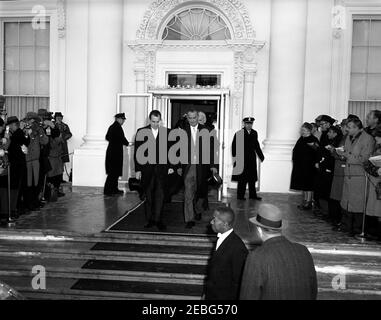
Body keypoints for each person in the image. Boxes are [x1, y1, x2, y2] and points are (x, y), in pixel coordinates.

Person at [240, 204, 318, 300]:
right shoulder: (303, 251)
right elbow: (313, 291)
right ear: (280, 228)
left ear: (259, 230)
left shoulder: (256, 257)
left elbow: (248, 296)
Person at [134, 110, 174, 231]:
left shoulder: (167, 132)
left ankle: (158, 220)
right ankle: (150, 220)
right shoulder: (141, 132)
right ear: (149, 120)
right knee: (149, 195)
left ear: (160, 121)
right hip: (147, 170)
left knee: (160, 195)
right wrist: (138, 170)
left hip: (162, 170)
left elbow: (172, 151)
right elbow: (137, 151)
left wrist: (172, 166)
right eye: (153, 121)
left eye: (157, 122)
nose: (155, 124)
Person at [178, 109, 218, 229]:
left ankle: (198, 210)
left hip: (202, 167)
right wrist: (179, 166)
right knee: (188, 193)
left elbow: (212, 150)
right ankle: (189, 219)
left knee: (201, 192)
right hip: (188, 167)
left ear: (197, 117)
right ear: (187, 118)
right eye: (189, 118)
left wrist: (213, 166)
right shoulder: (182, 130)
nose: (192, 120)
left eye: (194, 117)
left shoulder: (207, 130)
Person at [339, 118, 374, 236]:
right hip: (348, 173)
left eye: (349, 127)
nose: (346, 129)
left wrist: (346, 155)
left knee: (357, 204)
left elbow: (364, 159)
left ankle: (357, 229)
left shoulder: (368, 139)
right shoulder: (349, 137)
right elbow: (347, 152)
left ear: (356, 127)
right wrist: (341, 153)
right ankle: (346, 227)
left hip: (359, 176)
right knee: (346, 202)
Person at [204, 206, 248, 300]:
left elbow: (238, 282)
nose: (211, 222)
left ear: (225, 224)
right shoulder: (221, 239)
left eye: (215, 220)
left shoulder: (238, 248)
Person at [2, 116, 30, 218]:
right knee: (15, 187)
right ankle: (13, 209)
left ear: (13, 125)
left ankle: (13, 209)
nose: (9, 127)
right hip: (18, 165)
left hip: (15, 165)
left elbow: (13, 148)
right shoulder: (18, 134)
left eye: (10, 125)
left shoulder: (16, 135)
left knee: (14, 187)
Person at [232, 117, 264, 200]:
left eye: (250, 123)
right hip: (241, 159)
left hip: (251, 159)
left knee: (252, 179)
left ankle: (253, 196)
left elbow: (256, 145)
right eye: (247, 123)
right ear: (244, 124)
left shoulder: (254, 133)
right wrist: (235, 158)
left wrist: (261, 155)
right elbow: (234, 146)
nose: (249, 125)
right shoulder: (239, 133)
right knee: (242, 179)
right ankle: (240, 196)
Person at [290, 122, 320, 210]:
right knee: (304, 185)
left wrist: (316, 162)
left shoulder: (313, 139)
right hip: (301, 166)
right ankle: (306, 200)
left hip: (309, 166)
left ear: (309, 130)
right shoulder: (301, 139)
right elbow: (296, 150)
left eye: (303, 130)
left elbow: (318, 152)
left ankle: (309, 202)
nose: (302, 131)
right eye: (301, 130)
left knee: (309, 185)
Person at [24, 112, 48, 210]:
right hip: (27, 159)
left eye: (34, 121)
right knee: (28, 182)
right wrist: (27, 132)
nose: (32, 123)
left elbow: (45, 141)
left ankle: (35, 201)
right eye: (30, 120)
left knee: (36, 182)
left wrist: (40, 132)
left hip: (36, 159)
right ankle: (29, 203)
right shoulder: (25, 129)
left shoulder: (39, 130)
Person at [104, 113, 129, 196]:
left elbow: (107, 137)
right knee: (113, 173)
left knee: (114, 173)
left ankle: (113, 189)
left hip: (112, 152)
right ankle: (108, 191)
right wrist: (127, 143)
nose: (123, 121)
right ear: (118, 119)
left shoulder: (112, 127)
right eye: (122, 119)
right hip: (115, 153)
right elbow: (122, 138)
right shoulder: (117, 127)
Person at [364, 127, 381, 240]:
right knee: (374, 207)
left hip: (378, 180)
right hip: (375, 178)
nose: (375, 138)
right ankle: (374, 231)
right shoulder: (377, 147)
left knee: (378, 207)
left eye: (378, 137)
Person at [54, 112, 72, 183]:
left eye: (60, 118)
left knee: (62, 162)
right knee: (55, 163)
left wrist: (63, 138)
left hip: (63, 146)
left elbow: (70, 134)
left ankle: (60, 178)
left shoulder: (65, 126)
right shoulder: (53, 126)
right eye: (58, 118)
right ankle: (54, 179)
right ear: (55, 118)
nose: (59, 119)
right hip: (54, 146)